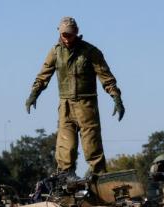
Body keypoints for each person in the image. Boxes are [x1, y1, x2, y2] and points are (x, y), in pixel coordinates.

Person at [26, 16, 124, 176]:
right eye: (64, 34)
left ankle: (100, 178)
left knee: (92, 147)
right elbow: (43, 76)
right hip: (65, 107)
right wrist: (34, 94)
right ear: (59, 32)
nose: (66, 38)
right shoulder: (55, 52)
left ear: (76, 32)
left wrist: (116, 97)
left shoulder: (90, 52)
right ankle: (65, 179)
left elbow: (106, 77)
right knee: (66, 147)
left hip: (87, 106)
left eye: (70, 34)